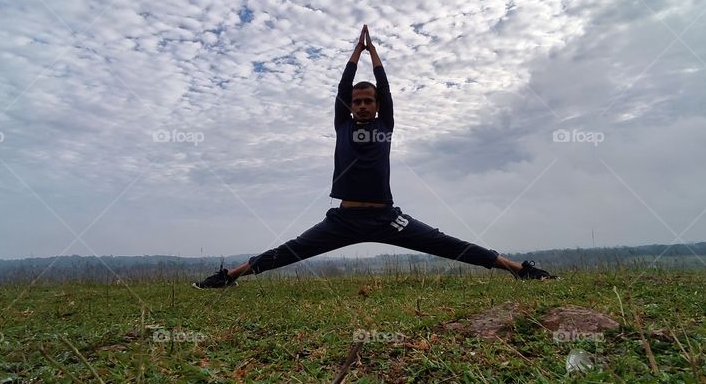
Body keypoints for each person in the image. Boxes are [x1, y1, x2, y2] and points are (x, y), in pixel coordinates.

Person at [195, 25, 557, 288]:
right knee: (289, 250)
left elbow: (385, 87)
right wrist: (357, 52)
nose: (364, 105)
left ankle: (518, 269)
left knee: (446, 243)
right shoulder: (342, 125)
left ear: (378, 106)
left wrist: (374, 54)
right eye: (358, 101)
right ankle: (228, 277)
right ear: (350, 107)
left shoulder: (385, 125)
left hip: (386, 218)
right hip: (344, 220)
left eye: (369, 101)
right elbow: (342, 87)